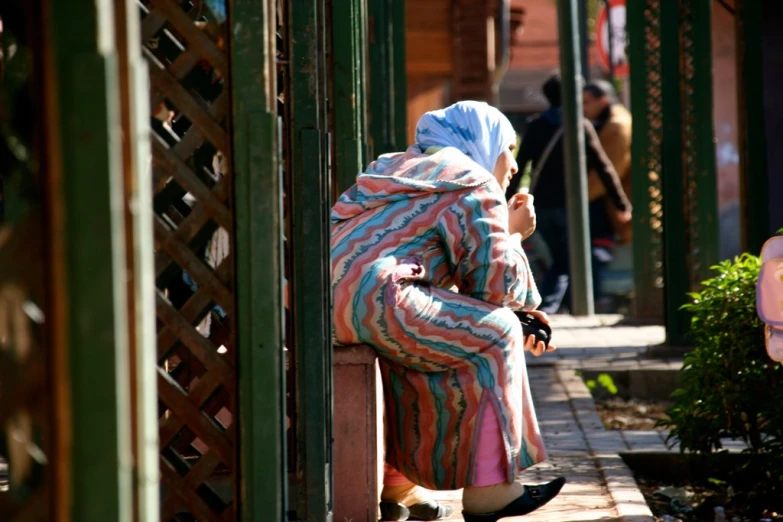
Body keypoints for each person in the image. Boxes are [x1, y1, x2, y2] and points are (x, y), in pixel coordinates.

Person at [331, 101, 566, 522]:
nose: (512, 165)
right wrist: (513, 235)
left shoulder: (390, 170)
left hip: (325, 304)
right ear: (481, 143)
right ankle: (492, 492)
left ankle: (397, 484)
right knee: (496, 333)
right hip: (382, 299)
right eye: (506, 148)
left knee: (427, 341)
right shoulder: (472, 180)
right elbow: (493, 287)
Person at [507, 74, 632, 314]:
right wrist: (621, 204)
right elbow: (604, 167)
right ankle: (550, 306)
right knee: (567, 259)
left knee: (560, 256)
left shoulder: (535, 125)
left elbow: (519, 166)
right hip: (571, 206)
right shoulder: (580, 125)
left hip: (540, 206)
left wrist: (508, 201)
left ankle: (567, 305)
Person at [582, 80, 634, 311]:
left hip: (613, 204)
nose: (582, 107)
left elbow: (609, 170)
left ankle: (602, 299)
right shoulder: (611, 121)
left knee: (598, 251)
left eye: (586, 102)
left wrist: (578, 199)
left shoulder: (616, 126)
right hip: (612, 201)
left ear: (603, 100)